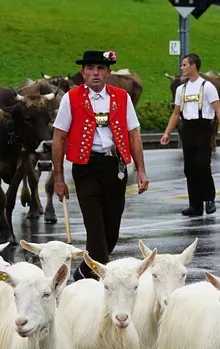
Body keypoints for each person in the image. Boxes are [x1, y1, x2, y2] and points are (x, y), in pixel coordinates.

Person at [53, 50, 149, 280]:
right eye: (90, 69)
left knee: (111, 231)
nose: (95, 73)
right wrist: (58, 178)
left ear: (108, 73)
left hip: (115, 167)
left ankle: (85, 271)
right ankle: (100, 280)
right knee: (95, 232)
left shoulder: (122, 97)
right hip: (86, 169)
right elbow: (59, 137)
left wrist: (141, 170)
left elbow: (134, 135)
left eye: (100, 69)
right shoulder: (71, 98)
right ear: (83, 73)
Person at [160, 53, 220, 217]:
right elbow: (176, 114)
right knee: (189, 168)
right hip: (187, 129)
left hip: (204, 128)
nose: (182, 68)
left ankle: (209, 199)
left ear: (193, 66)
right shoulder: (181, 89)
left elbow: (219, 111)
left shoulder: (207, 87)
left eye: (184, 65)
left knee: (202, 164)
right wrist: (167, 132)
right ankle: (195, 205)